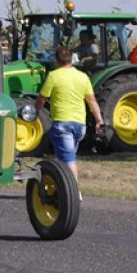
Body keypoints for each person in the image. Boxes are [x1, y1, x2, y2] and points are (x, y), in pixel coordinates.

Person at [35, 46, 104, 182]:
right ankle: (63, 188)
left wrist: (35, 112)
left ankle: (73, 191)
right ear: (71, 59)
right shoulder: (82, 77)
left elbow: (42, 98)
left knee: (68, 161)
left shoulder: (53, 76)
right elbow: (91, 101)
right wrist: (99, 120)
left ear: (57, 60)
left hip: (62, 124)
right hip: (79, 126)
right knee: (65, 158)